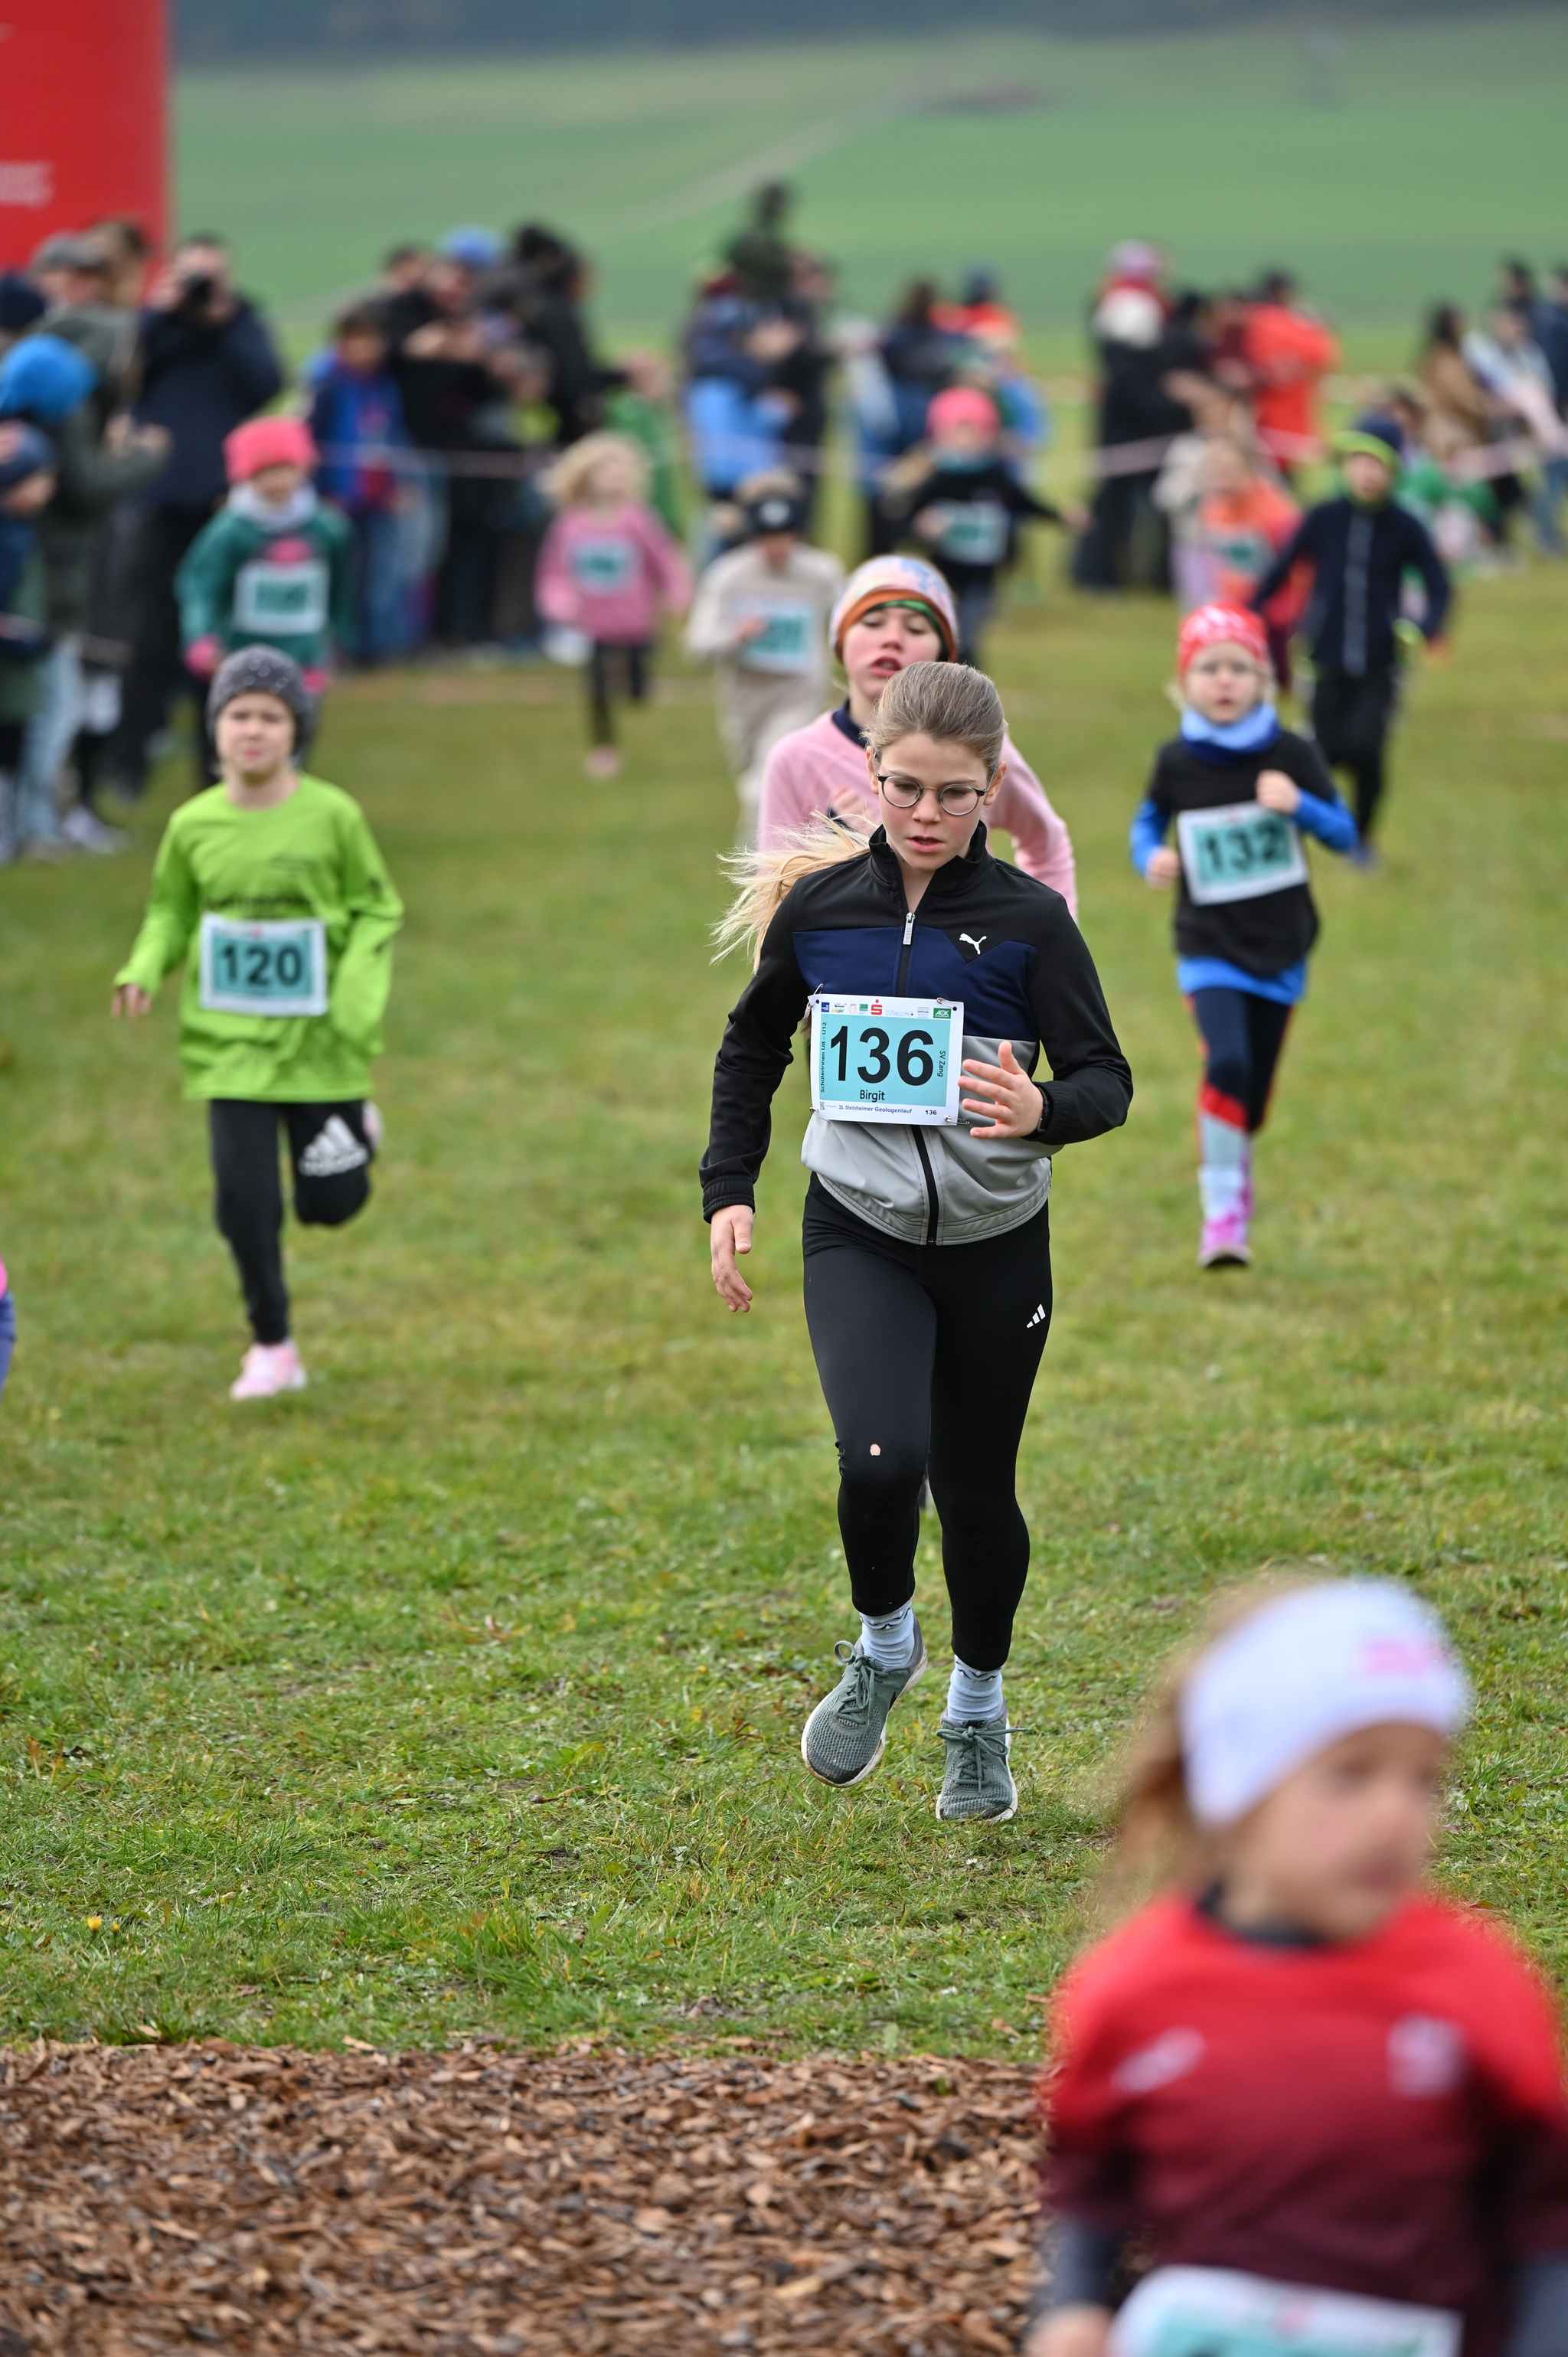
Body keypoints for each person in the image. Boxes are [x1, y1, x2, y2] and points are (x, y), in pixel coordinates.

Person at [703, 660, 1130, 1823]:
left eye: (952, 793)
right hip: (860, 1228)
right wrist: (728, 1187)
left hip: (996, 1242)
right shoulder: (822, 911)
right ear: (870, 775)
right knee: (881, 1461)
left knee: (977, 1493)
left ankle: (976, 1711)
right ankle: (883, 1644)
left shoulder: (1031, 924)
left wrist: (1045, 1108)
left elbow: (1107, 1079)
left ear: (992, 788)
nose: (926, 814)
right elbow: (753, 1046)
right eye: (902, 788)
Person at [1027, 1574, 1568, 2357]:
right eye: (1351, 1774)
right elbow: (1092, 2187)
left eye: (1423, 1779)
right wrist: (1071, 2310)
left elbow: (1545, 2225)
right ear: (1239, 1786)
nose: (1396, 1815)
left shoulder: (1478, 1982)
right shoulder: (1133, 1989)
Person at [112, 648, 403, 1401]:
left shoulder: (333, 816)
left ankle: (356, 1129)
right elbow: (171, 911)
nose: (253, 730)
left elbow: (377, 908)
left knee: (330, 1204)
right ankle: (272, 1344)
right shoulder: (191, 825)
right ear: (214, 728)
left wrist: (354, 1000)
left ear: (295, 731)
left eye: (271, 717)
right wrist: (144, 968)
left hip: (320, 1046)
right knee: (245, 1204)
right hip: (229, 1046)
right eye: (238, 714)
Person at [1129, 604, 1357, 1269]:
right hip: (1208, 946)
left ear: (1265, 680)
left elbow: (1345, 834)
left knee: (1251, 1095)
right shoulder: (1177, 759)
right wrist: (1150, 857)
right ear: (1184, 682)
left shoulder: (1292, 753)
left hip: (1282, 947)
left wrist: (1300, 805)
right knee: (1226, 1063)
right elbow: (1148, 822)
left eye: (1239, 667)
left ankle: (1237, 1149)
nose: (1224, 680)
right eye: (1208, 668)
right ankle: (1222, 1218)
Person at [756, 554, 1077, 908]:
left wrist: (1052, 935)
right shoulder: (795, 758)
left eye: (916, 628)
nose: (892, 639)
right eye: (873, 622)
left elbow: (1047, 844)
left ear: (944, 653)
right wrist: (846, 850)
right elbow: (775, 899)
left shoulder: (979, 748)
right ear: (840, 640)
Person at [109, 236, 283, 800]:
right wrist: (162, 314)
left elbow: (266, 385)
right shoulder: (156, 325)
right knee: (145, 637)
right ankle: (130, 759)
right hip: (156, 503)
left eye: (212, 276)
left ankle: (219, 764)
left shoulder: (242, 322)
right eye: (193, 275)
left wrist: (223, 322)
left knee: (220, 638)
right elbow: (122, 374)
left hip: (218, 504)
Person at [1250, 416, 1450, 855]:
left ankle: (1362, 837)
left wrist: (1425, 627)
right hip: (1325, 654)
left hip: (1382, 660)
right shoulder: (1324, 517)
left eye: (1377, 464)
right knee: (1324, 751)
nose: (1366, 473)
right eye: (1358, 462)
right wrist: (1251, 612)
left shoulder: (1405, 526)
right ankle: (1317, 828)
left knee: (1367, 748)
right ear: (1344, 466)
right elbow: (1283, 567)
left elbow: (1438, 583)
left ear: (1394, 471)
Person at [0, 332, 167, 857]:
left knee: (52, 714)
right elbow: (90, 489)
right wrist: (141, 457)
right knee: (51, 714)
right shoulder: (36, 451)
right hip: (38, 620)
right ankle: (33, 824)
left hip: (43, 615)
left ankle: (36, 822)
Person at [684, 472, 844, 845]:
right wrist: (735, 636)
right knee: (752, 778)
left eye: (785, 535)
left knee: (764, 783)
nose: (776, 546)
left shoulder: (821, 573)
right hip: (744, 698)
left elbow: (850, 622)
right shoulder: (729, 576)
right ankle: (796, 853)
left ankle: (758, 867)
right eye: (767, 537)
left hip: (798, 693)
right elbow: (697, 643)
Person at [176, 417, 354, 737]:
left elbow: (340, 589)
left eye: (285, 469)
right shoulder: (229, 532)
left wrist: (334, 642)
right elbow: (200, 585)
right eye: (265, 472)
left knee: (295, 738)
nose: (277, 481)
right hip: (237, 657)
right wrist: (201, 637)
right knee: (235, 739)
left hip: (302, 659)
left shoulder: (328, 528)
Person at [534, 431, 691, 778]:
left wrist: (677, 593)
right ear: (586, 475)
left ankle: (636, 687)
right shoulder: (570, 525)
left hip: (637, 623)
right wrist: (558, 603)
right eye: (606, 469)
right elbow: (553, 572)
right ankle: (603, 748)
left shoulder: (637, 520)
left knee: (637, 689)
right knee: (597, 687)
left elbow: (663, 560)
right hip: (593, 625)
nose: (615, 477)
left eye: (622, 470)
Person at [884, 386, 1078, 665]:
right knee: (944, 631)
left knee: (969, 634)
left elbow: (1026, 503)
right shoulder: (939, 478)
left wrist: (1061, 516)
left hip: (983, 573)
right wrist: (921, 527)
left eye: (972, 434)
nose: (964, 443)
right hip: (945, 571)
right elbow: (901, 521)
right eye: (957, 435)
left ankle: (969, 682)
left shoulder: (995, 475)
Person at [306, 306, 414, 665]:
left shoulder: (383, 384)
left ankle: (374, 646)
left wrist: (396, 484)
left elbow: (391, 436)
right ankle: (338, 647)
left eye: (373, 341)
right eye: (359, 341)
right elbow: (314, 441)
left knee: (377, 573)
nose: (367, 349)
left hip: (376, 495)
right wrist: (323, 493)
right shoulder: (327, 385)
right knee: (340, 575)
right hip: (339, 498)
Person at [1191, 438, 1303, 686]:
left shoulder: (1276, 510)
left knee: (1278, 674)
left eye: (1229, 468)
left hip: (1277, 606)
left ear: (1249, 469)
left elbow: (1299, 562)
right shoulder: (1211, 507)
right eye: (1215, 468)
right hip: (1235, 601)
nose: (1221, 476)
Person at [0, 423, 56, 865]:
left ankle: (16, 830)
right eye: (39, 478)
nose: (47, 488)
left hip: (20, 666)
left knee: (17, 747)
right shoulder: (8, 539)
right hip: (8, 668)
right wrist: (19, 634)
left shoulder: (23, 529)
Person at [1240, 270, 1340, 476]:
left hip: (1262, 416)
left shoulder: (1254, 321)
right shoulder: (1294, 323)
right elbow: (1327, 354)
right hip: (1289, 417)